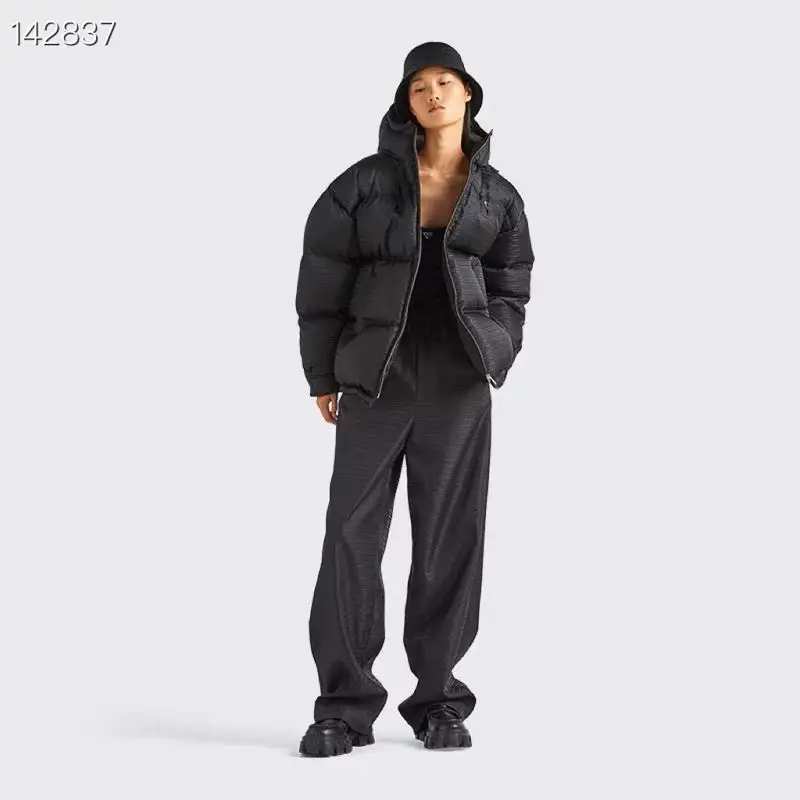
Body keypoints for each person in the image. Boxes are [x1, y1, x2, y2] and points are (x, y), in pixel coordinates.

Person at [295, 41, 535, 756]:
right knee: (350, 535)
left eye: (445, 82)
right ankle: (344, 706)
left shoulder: (496, 195)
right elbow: (321, 278)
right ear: (406, 101)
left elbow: (513, 283)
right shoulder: (364, 184)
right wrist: (323, 375)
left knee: (450, 540)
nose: (432, 94)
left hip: (458, 382)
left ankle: (438, 702)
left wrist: (498, 347)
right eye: (419, 85)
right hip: (377, 378)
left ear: (468, 94)